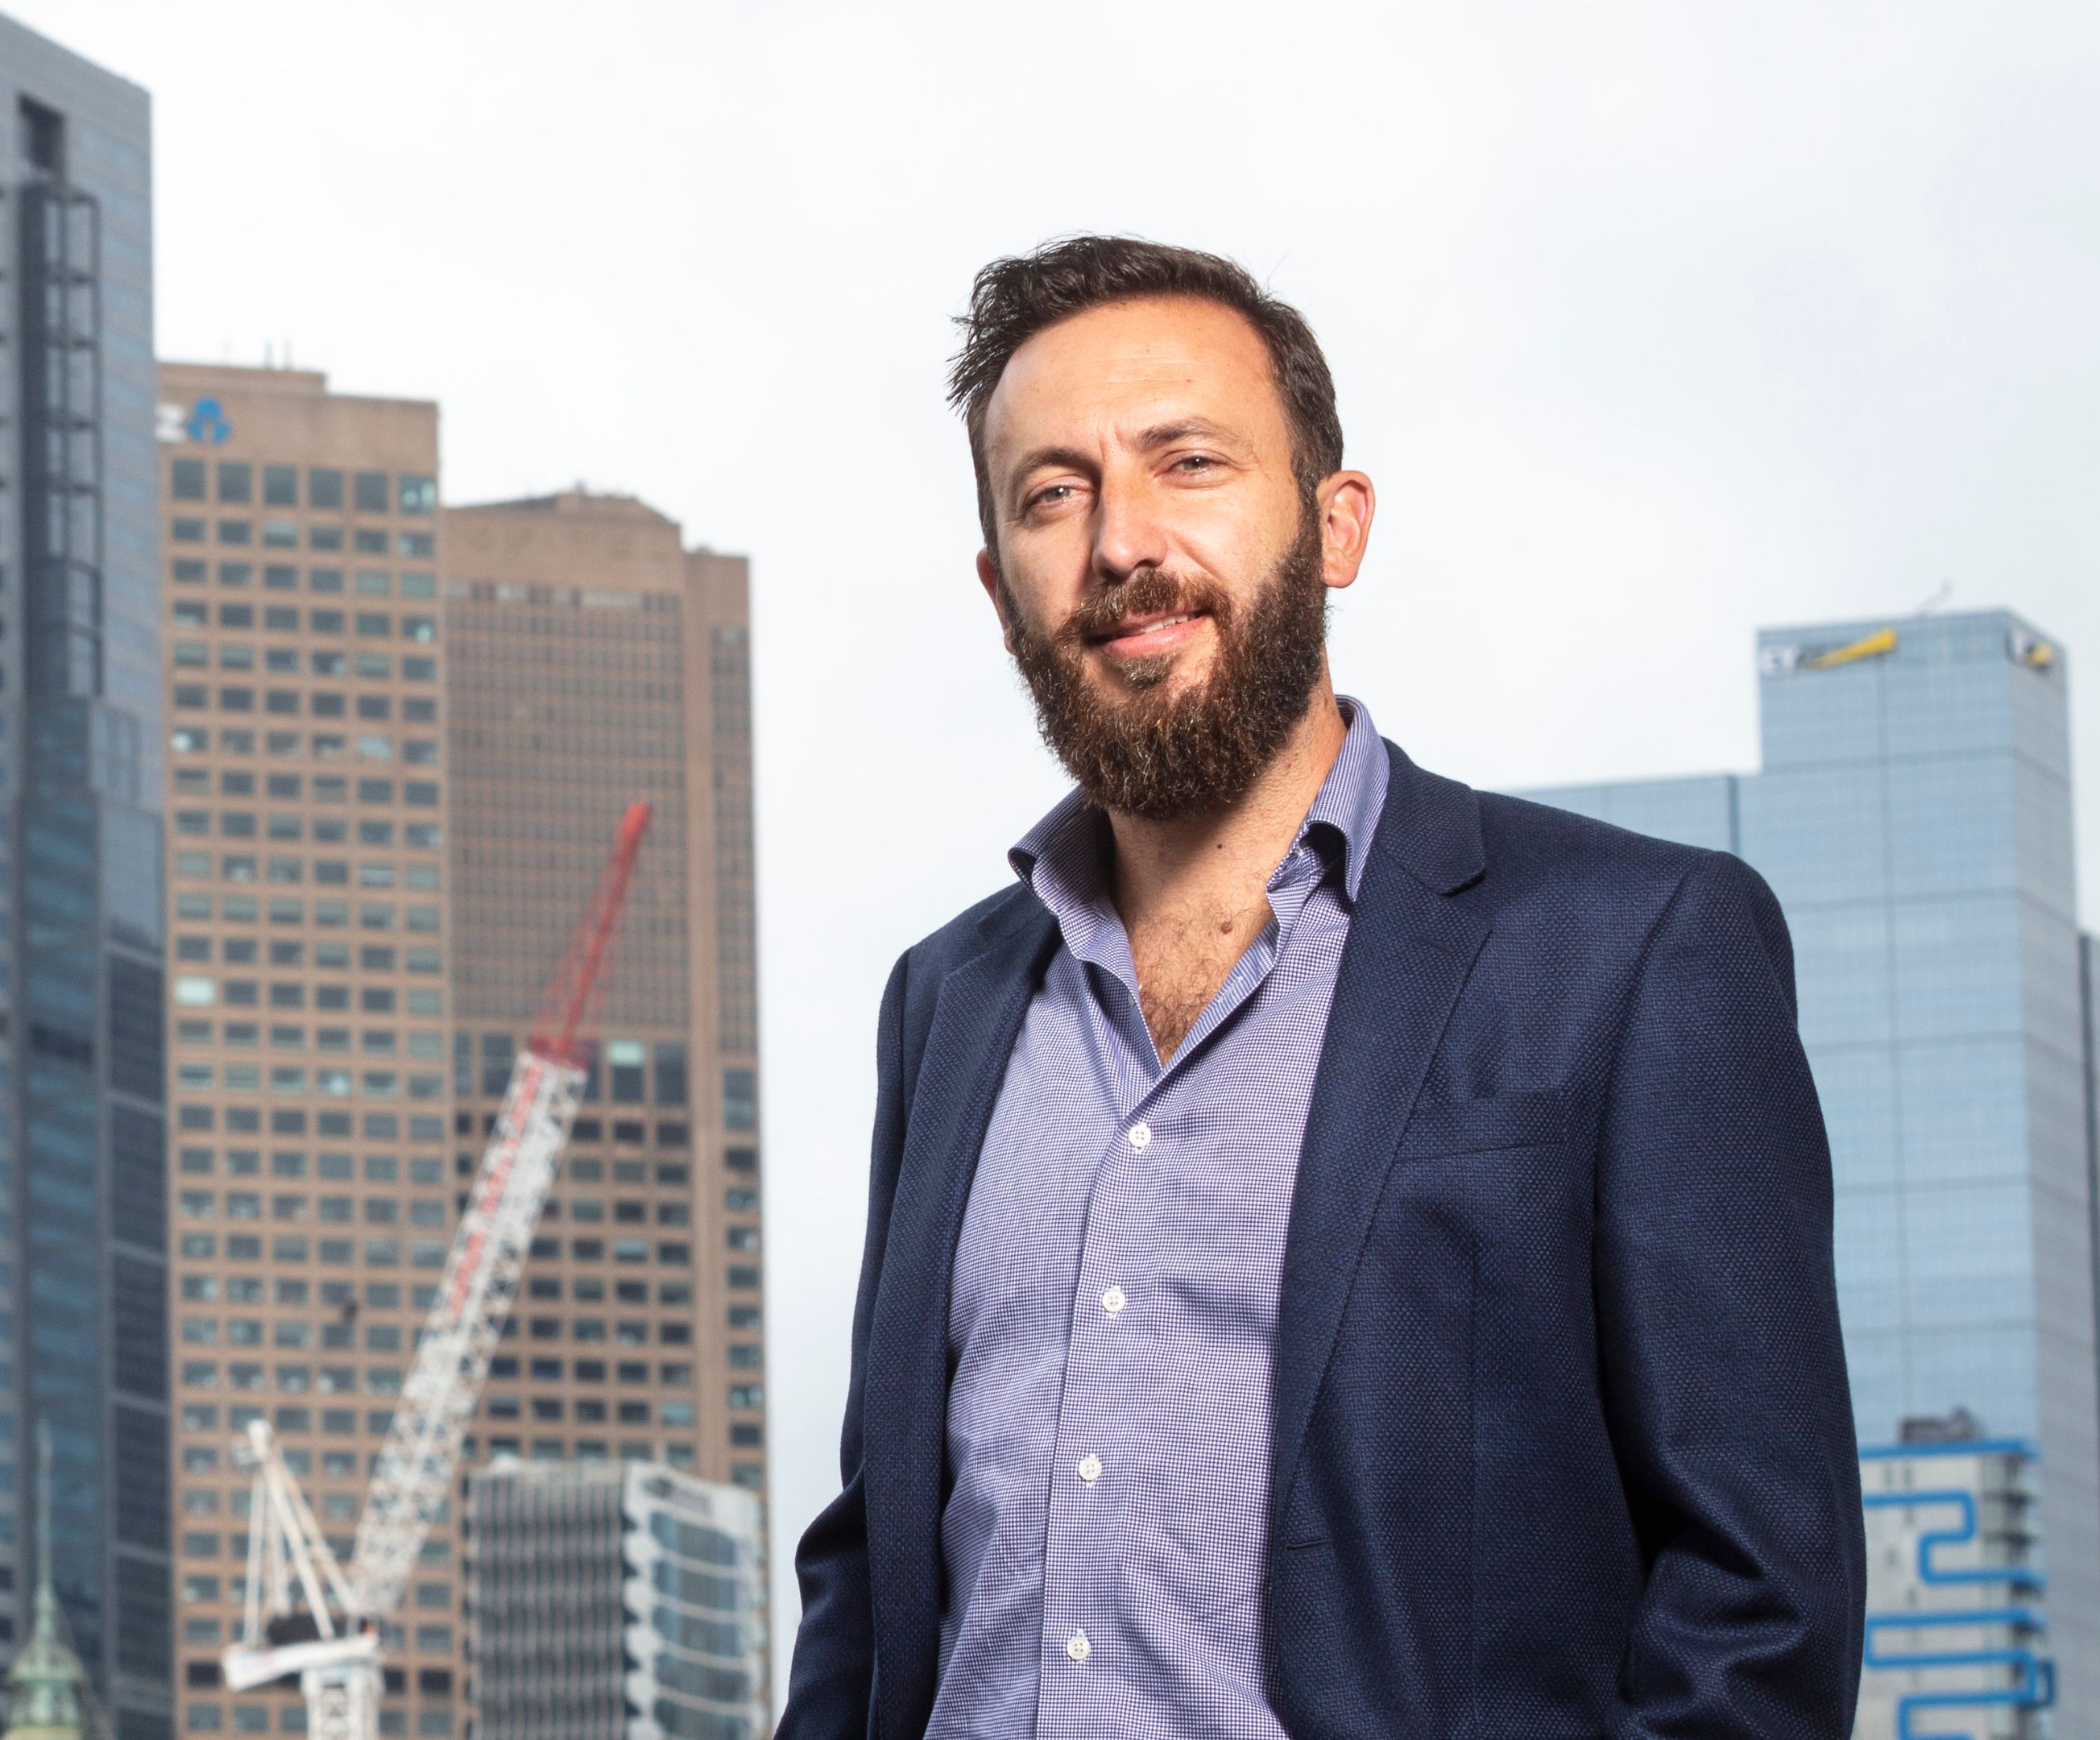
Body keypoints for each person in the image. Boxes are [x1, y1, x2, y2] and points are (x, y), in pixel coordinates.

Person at [779, 235, 1862, 1740]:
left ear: (1337, 526)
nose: (1122, 543)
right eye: (1054, 494)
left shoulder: (1635, 951)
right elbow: (874, 1566)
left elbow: (1760, 1609)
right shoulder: (946, 1003)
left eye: (1190, 464)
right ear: (998, 584)